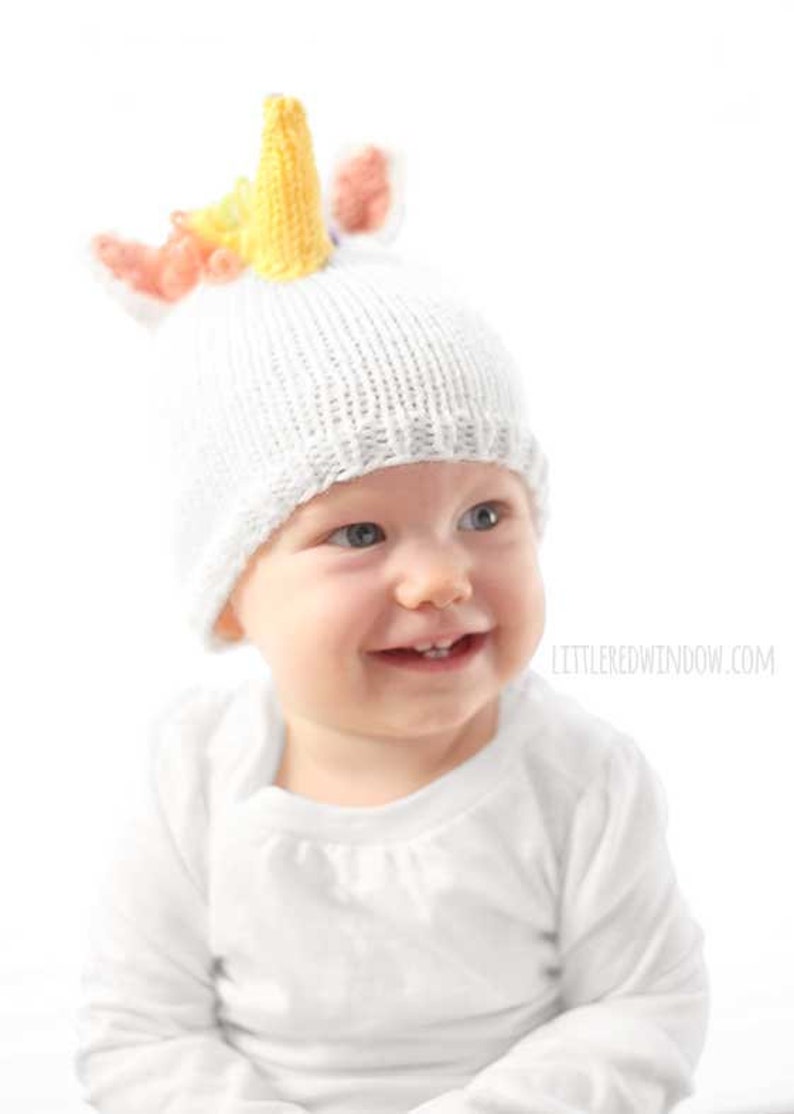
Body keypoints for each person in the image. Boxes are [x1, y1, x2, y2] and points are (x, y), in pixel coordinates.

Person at [75, 94, 709, 1114]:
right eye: (360, 534)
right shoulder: (194, 772)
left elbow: (641, 1005)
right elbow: (140, 1035)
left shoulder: (579, 777)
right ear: (233, 595)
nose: (441, 578)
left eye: (484, 513)